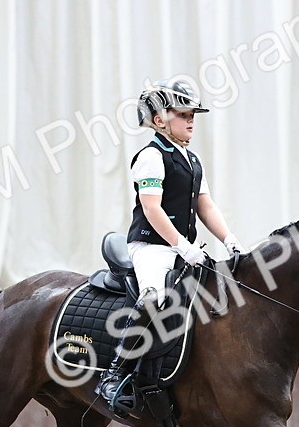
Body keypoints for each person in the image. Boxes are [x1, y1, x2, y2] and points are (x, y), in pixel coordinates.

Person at [97, 78, 241, 407]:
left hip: (181, 248)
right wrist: (181, 245)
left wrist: (229, 239)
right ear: (160, 120)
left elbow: (205, 206)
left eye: (193, 114)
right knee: (152, 297)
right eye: (183, 113)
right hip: (151, 247)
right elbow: (151, 207)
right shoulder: (151, 157)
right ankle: (115, 374)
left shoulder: (192, 160)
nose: (191, 119)